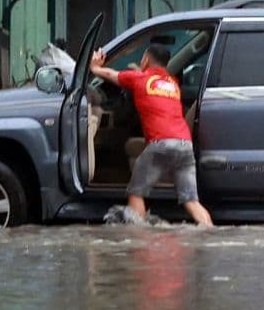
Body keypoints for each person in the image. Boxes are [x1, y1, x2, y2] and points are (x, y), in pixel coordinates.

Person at [90, 43, 214, 227]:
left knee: (136, 192)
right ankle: (210, 233)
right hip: (184, 145)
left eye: (143, 59)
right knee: (191, 201)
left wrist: (94, 67)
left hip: (161, 144)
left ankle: (138, 239)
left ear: (146, 59)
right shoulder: (173, 84)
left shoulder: (139, 78)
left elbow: (110, 75)